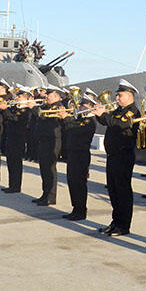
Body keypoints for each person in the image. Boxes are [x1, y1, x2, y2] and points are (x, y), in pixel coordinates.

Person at [94, 80, 141, 236]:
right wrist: (98, 114)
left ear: (129, 95)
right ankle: (116, 222)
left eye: (120, 95)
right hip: (113, 155)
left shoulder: (132, 112)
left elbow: (119, 125)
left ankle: (124, 225)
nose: (117, 98)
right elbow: (108, 122)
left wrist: (105, 115)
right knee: (113, 191)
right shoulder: (119, 110)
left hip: (124, 155)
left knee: (123, 192)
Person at [62, 92, 97, 221]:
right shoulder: (79, 118)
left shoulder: (89, 121)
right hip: (72, 153)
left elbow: (74, 130)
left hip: (81, 155)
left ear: (90, 106)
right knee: (72, 181)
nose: (80, 106)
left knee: (80, 183)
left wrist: (66, 118)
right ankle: (75, 208)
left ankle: (81, 210)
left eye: (83, 105)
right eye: (81, 104)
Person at [34, 86, 70, 206]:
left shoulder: (59, 107)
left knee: (50, 169)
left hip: (53, 141)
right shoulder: (46, 106)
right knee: (43, 169)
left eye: (48, 94)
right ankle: (45, 194)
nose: (46, 96)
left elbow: (45, 118)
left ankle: (51, 196)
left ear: (55, 95)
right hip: (44, 140)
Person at [0, 88, 32, 194]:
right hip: (10, 137)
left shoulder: (26, 110)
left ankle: (16, 186)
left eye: (20, 96)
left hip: (19, 139)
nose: (17, 98)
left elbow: (15, 119)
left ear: (26, 98)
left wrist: (5, 110)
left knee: (16, 163)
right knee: (10, 162)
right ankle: (11, 184)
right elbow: (7, 119)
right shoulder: (16, 108)